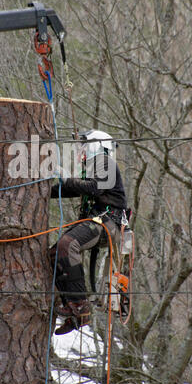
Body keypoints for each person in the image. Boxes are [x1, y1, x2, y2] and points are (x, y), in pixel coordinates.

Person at [50, 129, 129, 335]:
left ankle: (79, 305)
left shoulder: (105, 163)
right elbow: (74, 188)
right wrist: (44, 189)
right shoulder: (92, 168)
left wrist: (65, 178)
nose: (80, 151)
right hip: (99, 221)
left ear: (96, 145)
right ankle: (70, 305)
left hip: (108, 222)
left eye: (83, 146)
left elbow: (93, 189)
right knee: (55, 252)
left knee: (67, 245)